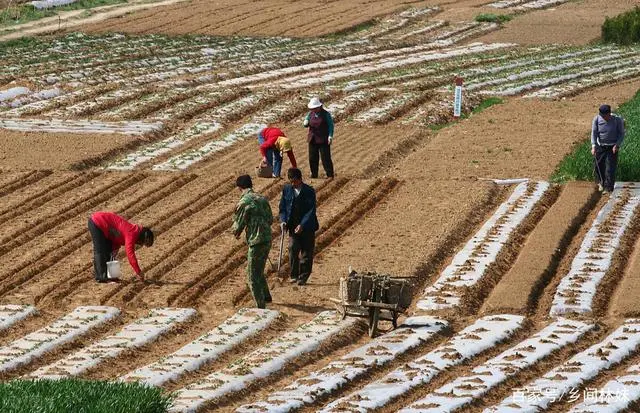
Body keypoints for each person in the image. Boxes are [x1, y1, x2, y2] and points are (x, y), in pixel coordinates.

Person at [232, 175, 273, 308]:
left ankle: (260, 306)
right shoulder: (262, 198)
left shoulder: (244, 202)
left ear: (239, 188)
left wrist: (236, 233)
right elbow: (270, 219)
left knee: (251, 276)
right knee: (259, 270)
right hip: (267, 238)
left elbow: (238, 224)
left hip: (256, 241)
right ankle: (267, 297)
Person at [279, 168, 319, 286]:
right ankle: (294, 275)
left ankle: (303, 277)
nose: (293, 184)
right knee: (293, 248)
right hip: (292, 226)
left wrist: (302, 224)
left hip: (307, 227)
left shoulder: (309, 191)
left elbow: (311, 211)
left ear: (300, 179)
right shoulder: (286, 190)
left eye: (295, 181)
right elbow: (283, 208)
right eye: (291, 181)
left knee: (306, 252)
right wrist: (283, 221)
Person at [88, 211, 153, 283]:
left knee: (109, 252)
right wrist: (138, 272)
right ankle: (101, 277)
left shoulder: (132, 231)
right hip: (97, 222)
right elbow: (130, 255)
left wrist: (113, 254)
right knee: (100, 249)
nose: (140, 244)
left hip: (105, 227)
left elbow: (116, 240)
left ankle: (111, 276)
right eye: (142, 242)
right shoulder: (131, 233)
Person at [591, 104, 625, 194]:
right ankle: (602, 183)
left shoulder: (617, 120)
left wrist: (617, 145)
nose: (604, 118)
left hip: (612, 146)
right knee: (598, 165)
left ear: (609, 113)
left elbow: (621, 133)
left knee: (610, 168)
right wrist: (593, 146)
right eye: (602, 116)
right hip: (601, 146)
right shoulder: (597, 119)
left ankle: (609, 188)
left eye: (605, 116)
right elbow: (594, 133)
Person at [303, 97, 334, 179]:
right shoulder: (310, 114)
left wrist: (330, 136)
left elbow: (331, 125)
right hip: (312, 138)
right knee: (312, 158)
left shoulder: (326, 114)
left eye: (315, 108)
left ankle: (330, 174)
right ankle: (314, 174)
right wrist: (305, 122)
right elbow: (306, 120)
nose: (313, 110)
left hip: (323, 139)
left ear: (319, 107)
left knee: (325, 158)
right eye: (312, 108)